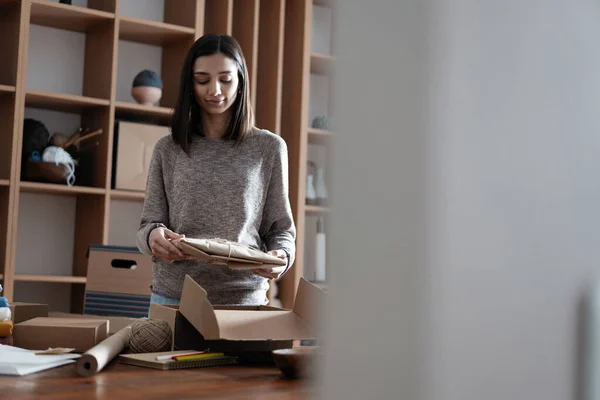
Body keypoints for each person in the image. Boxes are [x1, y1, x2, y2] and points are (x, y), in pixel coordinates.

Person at [136, 34, 296, 306]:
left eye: (225, 79)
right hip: (173, 297)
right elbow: (147, 227)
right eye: (202, 80)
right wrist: (153, 237)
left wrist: (282, 256)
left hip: (243, 300)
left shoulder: (269, 148)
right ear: (190, 83)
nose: (215, 90)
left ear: (241, 80)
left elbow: (281, 230)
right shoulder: (168, 148)